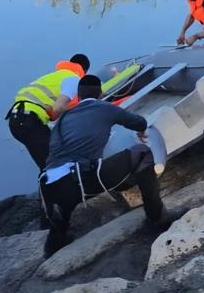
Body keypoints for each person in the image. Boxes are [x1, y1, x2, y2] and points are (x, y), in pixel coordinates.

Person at [38, 75, 171, 257]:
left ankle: (53, 248)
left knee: (60, 220)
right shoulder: (103, 108)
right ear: (101, 93)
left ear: (79, 96)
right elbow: (140, 122)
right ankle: (157, 217)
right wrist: (141, 132)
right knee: (142, 152)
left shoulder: (62, 120)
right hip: (81, 180)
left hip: (49, 185)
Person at [7, 54, 89, 170]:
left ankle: (51, 185)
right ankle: (70, 184)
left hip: (15, 120)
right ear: (84, 70)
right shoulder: (73, 79)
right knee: (56, 159)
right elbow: (57, 109)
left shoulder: (52, 76)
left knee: (46, 163)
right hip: (30, 120)